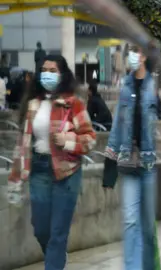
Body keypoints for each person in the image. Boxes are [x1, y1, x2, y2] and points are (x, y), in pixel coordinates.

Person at [7, 54, 96, 269]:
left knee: (58, 232)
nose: (47, 74)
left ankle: (54, 261)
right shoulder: (32, 105)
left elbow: (90, 139)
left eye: (53, 70)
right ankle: (57, 258)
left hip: (67, 172)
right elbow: (23, 143)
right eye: (44, 70)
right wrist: (15, 176)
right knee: (40, 228)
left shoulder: (74, 104)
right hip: (38, 169)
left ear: (63, 74)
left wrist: (67, 140)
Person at [102, 45, 158, 270]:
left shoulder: (155, 86)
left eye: (135, 52)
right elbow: (117, 125)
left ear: (144, 55)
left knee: (147, 226)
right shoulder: (125, 86)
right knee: (129, 220)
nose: (132, 57)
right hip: (128, 161)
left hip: (152, 164)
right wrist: (109, 162)